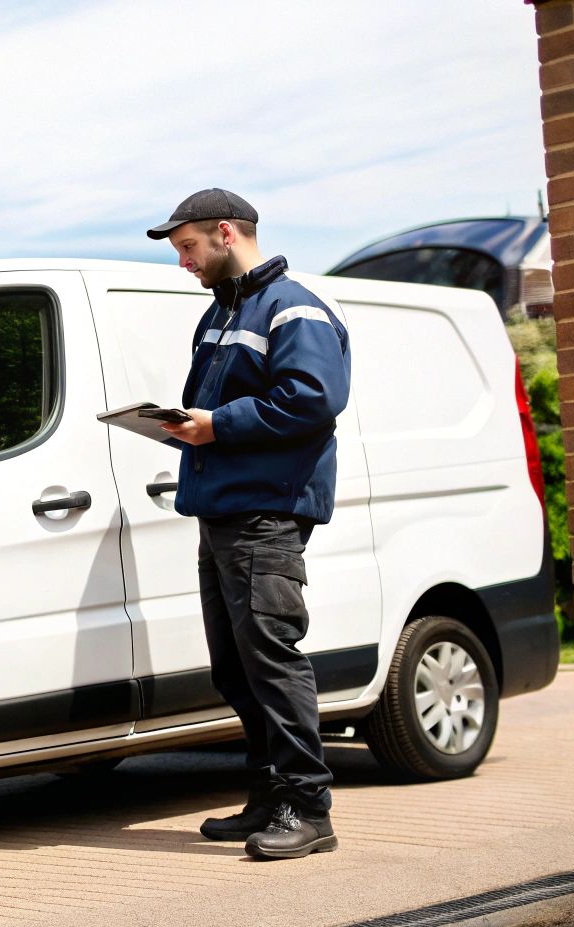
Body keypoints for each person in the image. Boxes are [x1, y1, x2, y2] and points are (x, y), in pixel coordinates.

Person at [145, 188, 351, 859]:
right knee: (235, 668)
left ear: (226, 233)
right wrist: (179, 426)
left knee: (271, 659)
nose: (184, 263)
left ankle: (308, 807)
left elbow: (313, 400)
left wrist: (216, 426)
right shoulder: (218, 315)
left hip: (266, 512)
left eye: (188, 248)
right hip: (222, 509)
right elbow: (219, 412)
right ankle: (268, 795)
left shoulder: (294, 309)